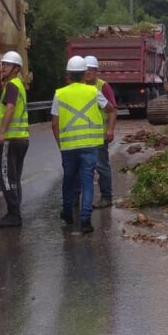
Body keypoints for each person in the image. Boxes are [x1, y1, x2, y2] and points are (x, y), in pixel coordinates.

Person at [51, 56, 109, 235]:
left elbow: (54, 123)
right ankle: (85, 220)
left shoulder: (59, 94)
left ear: (68, 75)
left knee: (68, 179)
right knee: (87, 182)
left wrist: (61, 144)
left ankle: (67, 213)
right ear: (85, 74)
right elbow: (110, 108)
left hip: (68, 147)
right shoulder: (93, 92)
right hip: (90, 145)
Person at [0, 50, 30, 228]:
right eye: (2, 64)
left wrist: (1, 132)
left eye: (6, 65)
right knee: (14, 177)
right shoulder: (19, 85)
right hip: (20, 138)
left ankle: (14, 215)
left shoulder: (12, 86)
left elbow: (10, 108)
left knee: (5, 177)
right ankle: (14, 212)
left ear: (16, 68)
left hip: (11, 139)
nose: (3, 68)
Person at [81, 55, 118, 207]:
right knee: (82, 168)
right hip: (83, 135)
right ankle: (79, 199)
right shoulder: (80, 86)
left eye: (91, 70)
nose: (88, 73)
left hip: (99, 135)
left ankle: (106, 197)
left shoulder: (102, 86)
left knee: (101, 166)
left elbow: (112, 109)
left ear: (96, 71)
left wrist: (110, 130)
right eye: (86, 70)